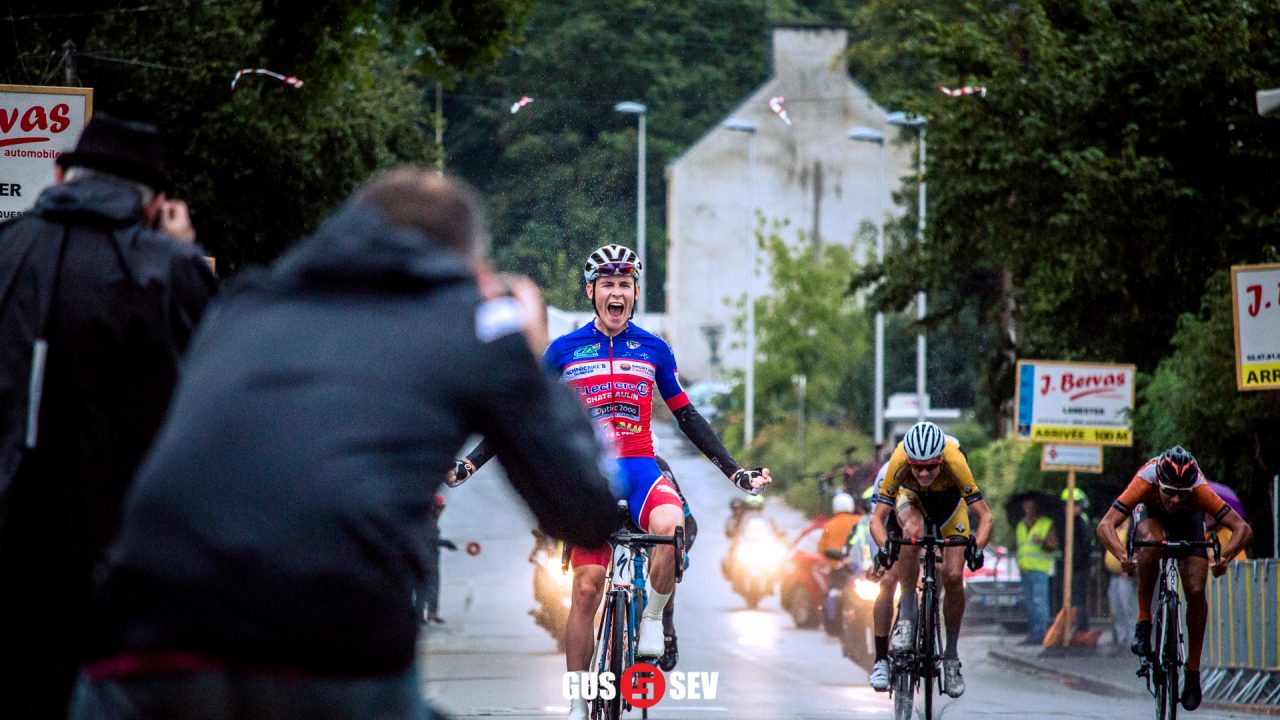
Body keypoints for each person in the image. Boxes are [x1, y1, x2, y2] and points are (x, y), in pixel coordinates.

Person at [70, 167, 619, 720]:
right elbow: (585, 509)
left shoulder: (245, 304)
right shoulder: (471, 323)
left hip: (141, 634)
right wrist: (531, 350)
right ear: (469, 264)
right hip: (328, 638)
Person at [450, 243, 770, 720]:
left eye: (625, 285)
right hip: (593, 477)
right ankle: (580, 700)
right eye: (608, 285)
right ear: (592, 292)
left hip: (641, 468)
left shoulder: (655, 349)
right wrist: (469, 464)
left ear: (635, 292)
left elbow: (687, 417)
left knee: (672, 524)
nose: (616, 293)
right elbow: (522, 410)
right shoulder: (564, 350)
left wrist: (734, 471)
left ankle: (654, 621)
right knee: (585, 588)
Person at [0, 113, 217, 720]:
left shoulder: (8, 247)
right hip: (117, 559)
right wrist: (187, 256)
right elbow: (211, 394)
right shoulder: (167, 270)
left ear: (59, 173)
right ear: (155, 206)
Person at [1096, 446, 1253, 712]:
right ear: (1158, 481)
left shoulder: (1199, 488)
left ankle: (1192, 671)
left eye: (1183, 494)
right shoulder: (1146, 478)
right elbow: (1105, 525)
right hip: (1151, 518)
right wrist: (1123, 555)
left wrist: (1224, 557)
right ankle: (1144, 622)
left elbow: (1242, 529)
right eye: (1169, 492)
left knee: (1194, 588)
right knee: (1150, 544)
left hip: (1189, 523)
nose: (1176, 500)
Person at [869, 421, 994, 699]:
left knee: (952, 576)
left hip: (950, 507)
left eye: (931, 467)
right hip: (910, 500)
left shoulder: (955, 460)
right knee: (910, 534)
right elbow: (877, 518)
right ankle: (908, 616)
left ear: (942, 459)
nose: (924, 472)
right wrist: (884, 547)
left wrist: (978, 546)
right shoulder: (899, 460)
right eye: (918, 467)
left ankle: (950, 657)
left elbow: (985, 516)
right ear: (908, 462)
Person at [1016, 496, 1059, 645]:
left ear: (1036, 508)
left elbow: (1054, 545)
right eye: (1025, 507)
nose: (1026, 510)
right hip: (1025, 569)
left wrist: (1041, 542)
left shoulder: (1045, 524)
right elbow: (1021, 546)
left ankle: (1041, 635)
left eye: (1029, 506)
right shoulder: (1021, 524)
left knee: (1039, 604)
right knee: (1029, 604)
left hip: (1039, 569)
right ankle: (1033, 634)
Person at [1102, 514, 1139, 656]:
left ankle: (1132, 642)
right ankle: (1122, 642)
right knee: (1117, 611)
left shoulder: (1133, 525)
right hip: (1113, 575)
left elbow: (1136, 546)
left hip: (1126, 575)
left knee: (1128, 608)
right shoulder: (1114, 525)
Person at [1059, 487, 1093, 637]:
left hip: (1080, 567)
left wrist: (1075, 561)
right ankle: (1075, 628)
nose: (1077, 507)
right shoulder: (1068, 522)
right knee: (1074, 598)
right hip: (1074, 567)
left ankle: (1081, 629)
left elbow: (1085, 545)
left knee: (1079, 599)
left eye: (1077, 505)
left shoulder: (1081, 522)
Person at [420, 493, 458, 624]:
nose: (440, 511)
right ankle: (421, 614)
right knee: (427, 585)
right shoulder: (428, 520)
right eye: (439, 508)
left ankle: (431, 613)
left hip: (431, 556)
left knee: (433, 585)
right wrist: (445, 543)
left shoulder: (431, 520)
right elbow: (429, 540)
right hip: (426, 556)